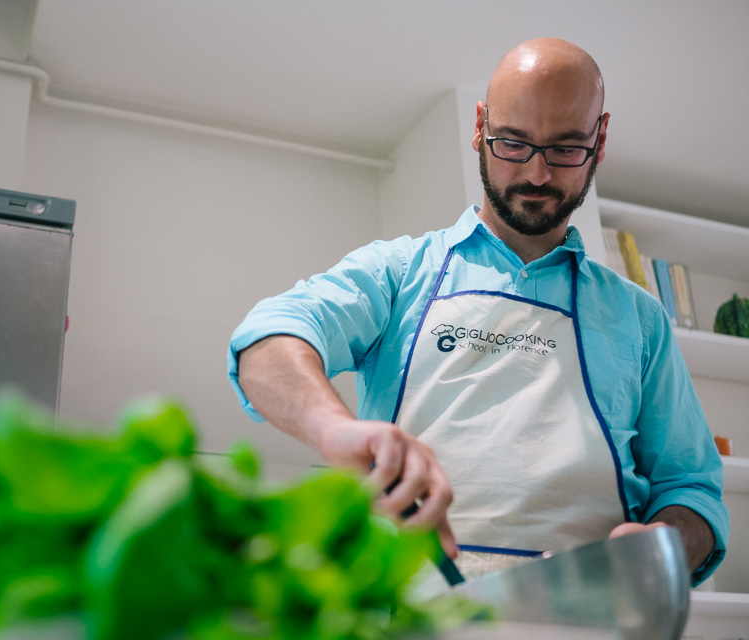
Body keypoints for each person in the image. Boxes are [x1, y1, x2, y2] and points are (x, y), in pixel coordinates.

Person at [226, 37, 728, 586]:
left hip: (594, 612)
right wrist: (334, 429)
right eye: (513, 143)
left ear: (600, 139)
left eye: (565, 149)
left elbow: (691, 487)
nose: (537, 175)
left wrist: (670, 540)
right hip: (416, 604)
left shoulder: (640, 316)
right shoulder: (399, 271)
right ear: (480, 126)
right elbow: (270, 340)